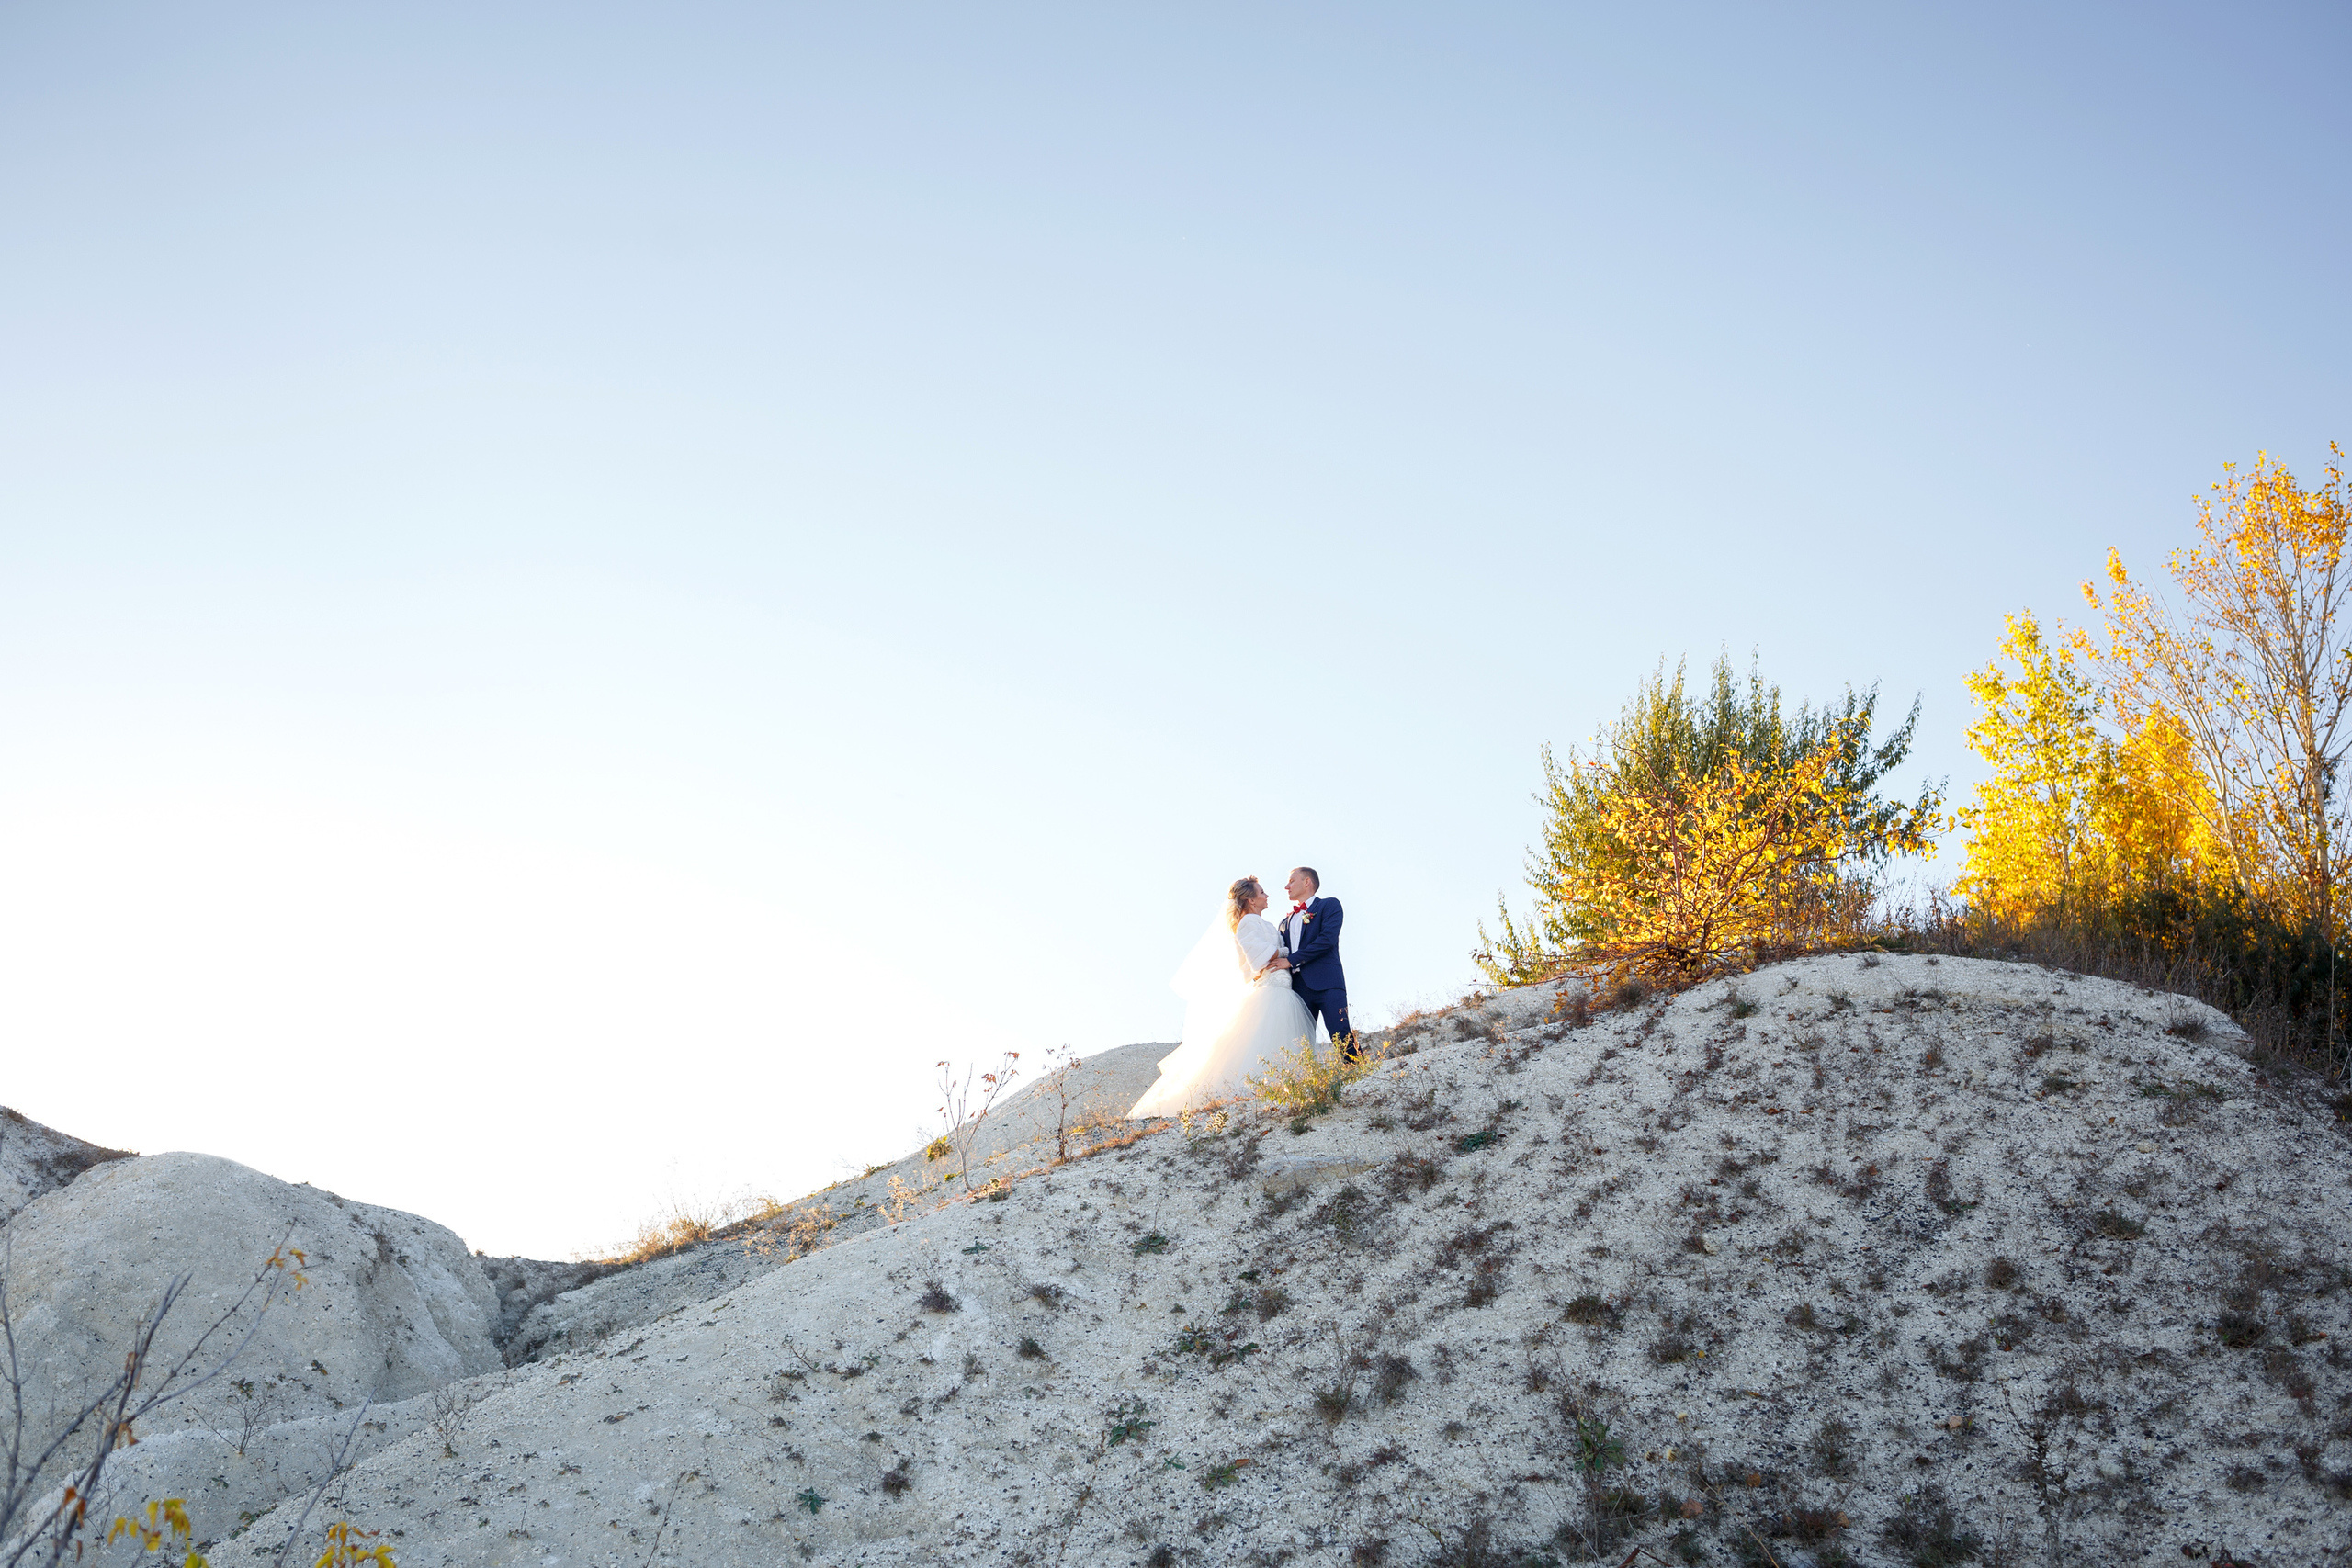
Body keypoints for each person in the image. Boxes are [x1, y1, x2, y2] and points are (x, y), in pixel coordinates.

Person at [1125, 876, 1315, 1119]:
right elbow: (1258, 957)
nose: (1267, 896)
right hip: (1270, 991)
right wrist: (1289, 953)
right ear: (1250, 899)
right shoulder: (1247, 924)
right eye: (1262, 892)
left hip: (1284, 989)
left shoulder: (1266, 924)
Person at [1279, 866, 1353, 1058]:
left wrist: (1291, 960)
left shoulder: (1329, 906)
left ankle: (1361, 1078)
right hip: (1297, 989)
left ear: (1307, 882)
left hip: (1327, 982)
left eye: (1291, 881)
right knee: (1301, 1042)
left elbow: (1327, 940)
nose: (1287, 886)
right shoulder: (1284, 923)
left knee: (1340, 1034)